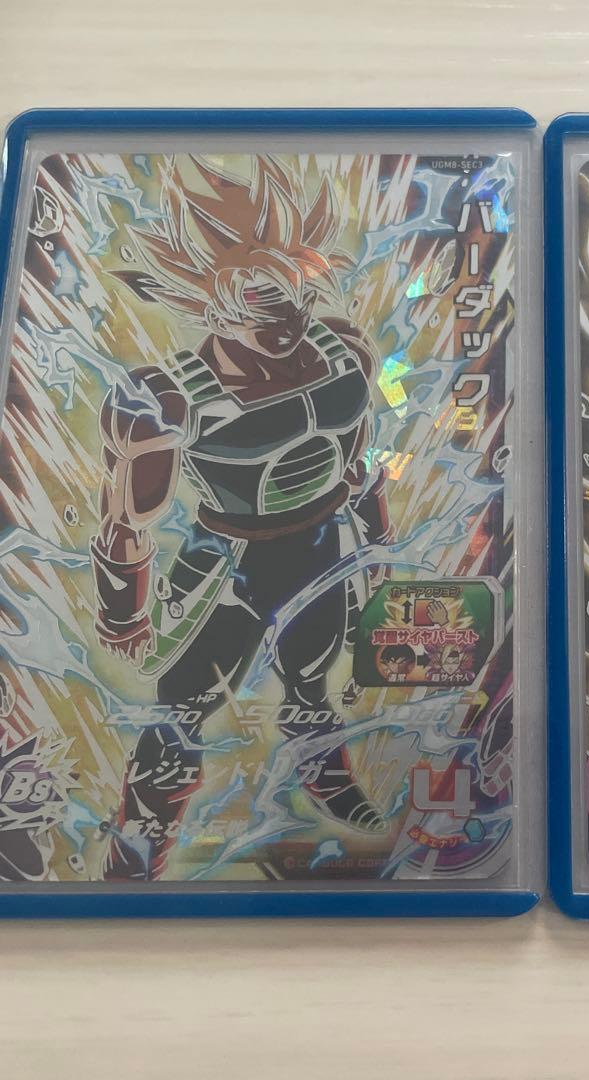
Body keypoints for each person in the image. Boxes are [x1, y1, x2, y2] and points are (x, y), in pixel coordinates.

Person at [91, 155, 391, 880]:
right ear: (213, 305)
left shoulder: (342, 349)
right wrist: (123, 610)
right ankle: (142, 835)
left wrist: (376, 537)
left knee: (311, 681)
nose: (287, 323)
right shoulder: (168, 398)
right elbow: (127, 517)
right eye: (262, 308)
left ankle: (322, 770)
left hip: (323, 544)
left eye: (294, 300)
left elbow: (356, 458)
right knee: (183, 708)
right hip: (228, 564)